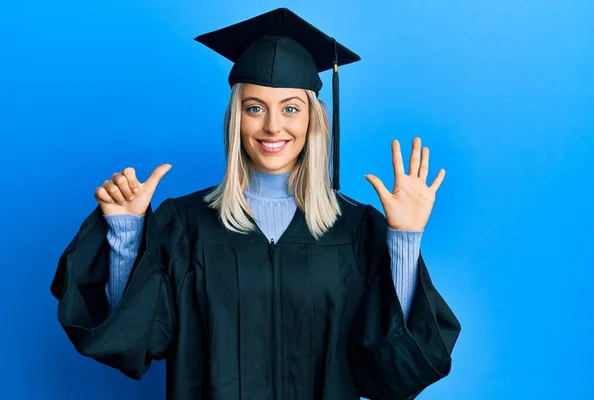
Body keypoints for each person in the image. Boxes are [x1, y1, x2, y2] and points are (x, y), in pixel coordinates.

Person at [50, 7, 461, 400]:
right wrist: (127, 234)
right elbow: (134, 342)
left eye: (291, 109)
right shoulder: (185, 225)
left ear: (313, 121)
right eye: (254, 108)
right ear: (236, 119)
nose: (272, 126)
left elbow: (395, 369)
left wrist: (405, 240)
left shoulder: (355, 228)